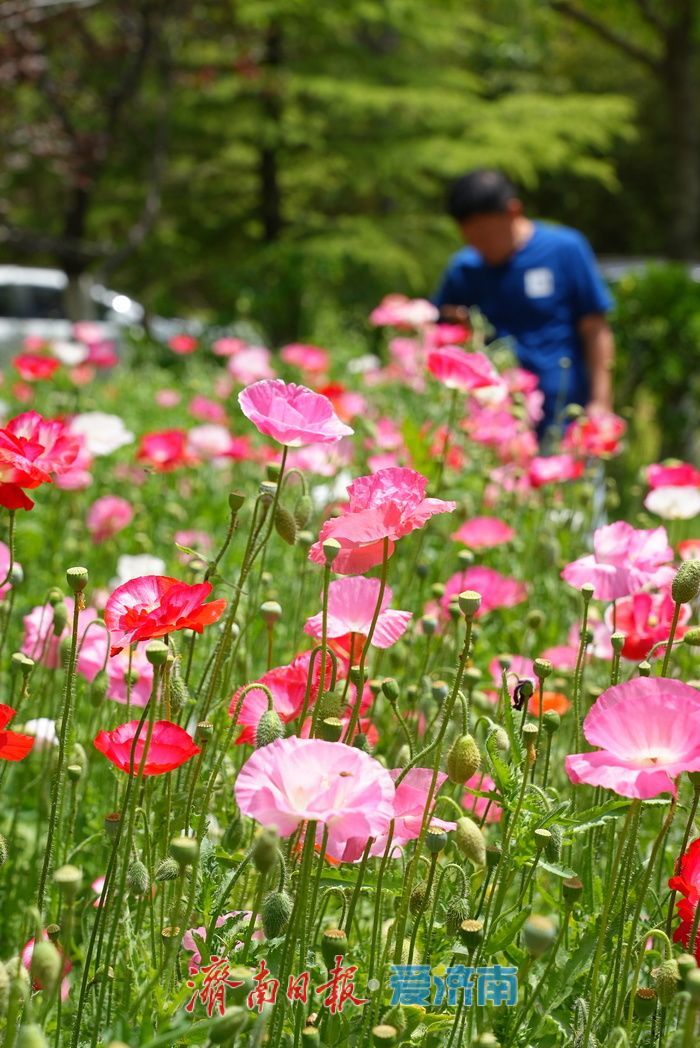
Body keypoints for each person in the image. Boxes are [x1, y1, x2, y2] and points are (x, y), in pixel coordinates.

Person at [432, 169, 615, 439]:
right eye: (472, 241)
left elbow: (595, 329)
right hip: (495, 426)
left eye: (486, 236)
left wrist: (601, 402)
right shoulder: (464, 269)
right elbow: (437, 329)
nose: (482, 248)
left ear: (513, 211)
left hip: (565, 417)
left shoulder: (565, 250)